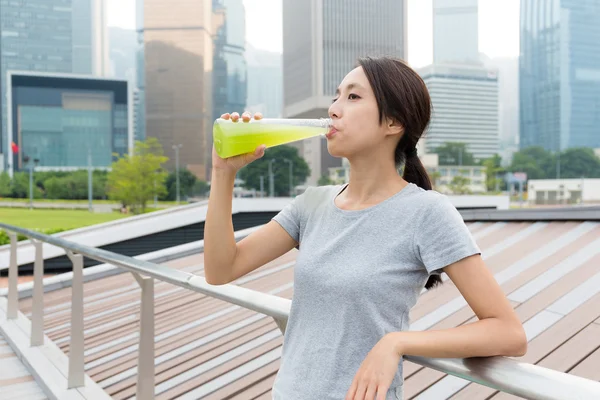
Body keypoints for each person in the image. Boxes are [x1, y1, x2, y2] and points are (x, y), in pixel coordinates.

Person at [204, 56, 527, 400]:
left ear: (392, 122)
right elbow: (222, 269)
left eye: (353, 97)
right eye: (336, 96)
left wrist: (396, 342)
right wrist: (224, 173)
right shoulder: (311, 204)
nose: (334, 109)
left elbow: (508, 332)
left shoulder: (427, 213)